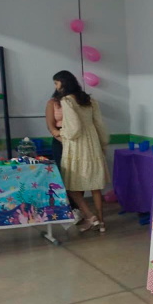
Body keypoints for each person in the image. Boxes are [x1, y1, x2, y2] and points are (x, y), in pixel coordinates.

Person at [54, 71, 110, 233]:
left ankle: (90, 217)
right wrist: (103, 143)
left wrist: (62, 133)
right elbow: (99, 124)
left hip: (77, 145)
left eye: (56, 83)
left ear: (63, 83)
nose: (56, 87)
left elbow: (74, 129)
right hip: (93, 142)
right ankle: (101, 222)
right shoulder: (89, 100)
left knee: (72, 185)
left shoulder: (67, 100)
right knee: (95, 185)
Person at [45, 93, 82, 222]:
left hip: (76, 140)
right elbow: (50, 125)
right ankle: (69, 208)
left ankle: (77, 208)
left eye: (58, 83)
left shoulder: (76, 101)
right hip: (60, 139)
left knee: (78, 175)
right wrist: (62, 139)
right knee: (64, 174)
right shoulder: (52, 103)